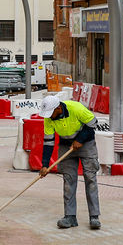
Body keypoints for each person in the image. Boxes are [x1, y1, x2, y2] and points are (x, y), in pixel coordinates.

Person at [37, 95, 101, 230]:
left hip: (86, 144)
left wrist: (80, 139)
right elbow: (48, 142)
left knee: (90, 178)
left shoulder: (76, 108)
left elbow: (93, 123)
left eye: (51, 113)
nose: (49, 117)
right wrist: (44, 165)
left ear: (59, 108)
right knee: (68, 180)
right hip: (66, 146)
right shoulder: (48, 119)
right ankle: (70, 217)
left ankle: (94, 217)